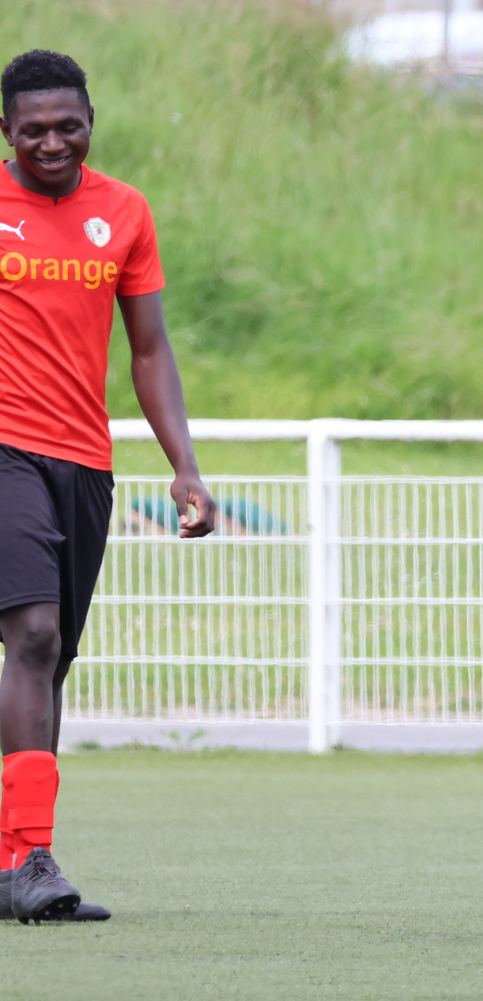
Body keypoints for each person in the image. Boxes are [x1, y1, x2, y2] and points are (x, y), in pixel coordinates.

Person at [0, 50, 216, 924]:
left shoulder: (124, 210)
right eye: (33, 130)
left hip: (84, 464)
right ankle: (30, 856)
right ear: (6, 131)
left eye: (69, 126)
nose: (53, 142)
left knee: (51, 662)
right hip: (4, 451)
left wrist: (184, 465)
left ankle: (15, 856)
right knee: (35, 634)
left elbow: (150, 349)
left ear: (92, 121)